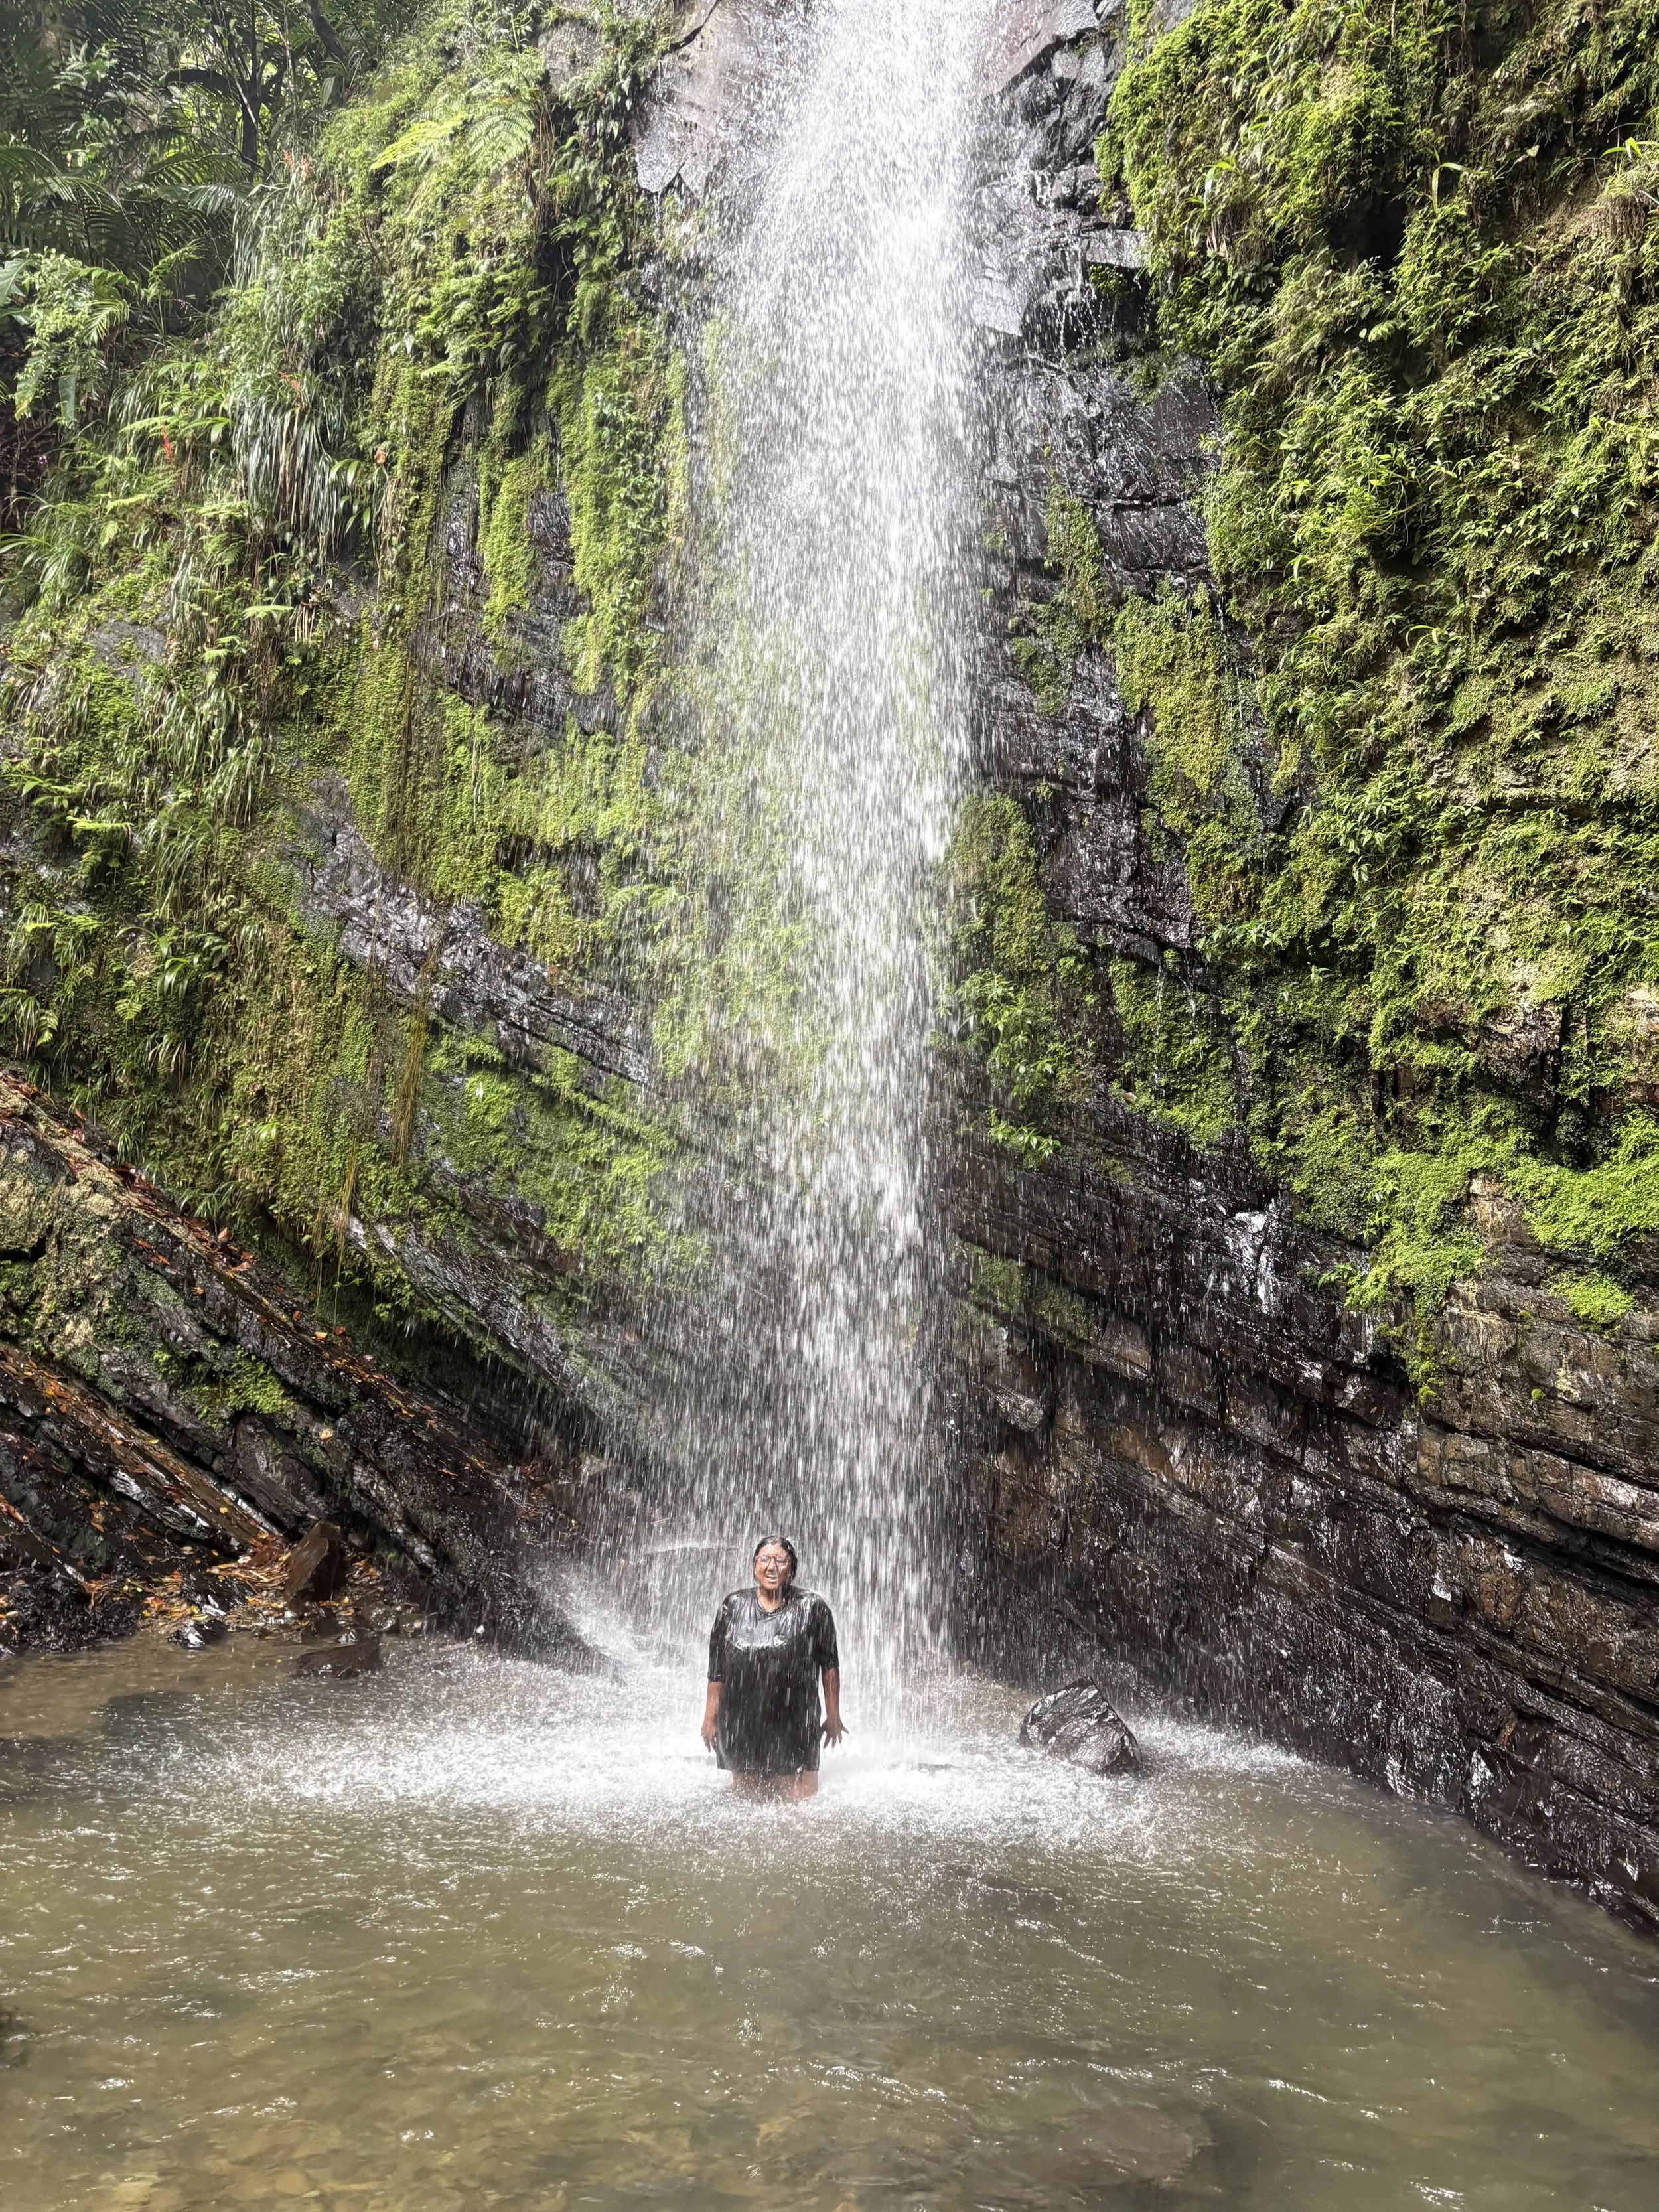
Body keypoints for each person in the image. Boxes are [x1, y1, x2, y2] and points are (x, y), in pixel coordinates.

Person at [701, 1536, 843, 1800]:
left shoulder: (812, 1607)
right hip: (743, 1721)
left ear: (792, 1568)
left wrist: (833, 1717)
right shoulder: (732, 1606)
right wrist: (710, 1718)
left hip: (794, 1722)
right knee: (746, 1806)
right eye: (764, 1559)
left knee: (800, 1805)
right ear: (754, 1565)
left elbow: (830, 1667)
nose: (772, 1566)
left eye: (780, 1560)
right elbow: (717, 1668)